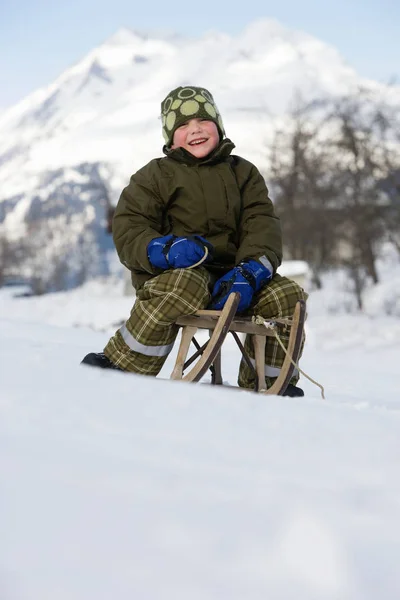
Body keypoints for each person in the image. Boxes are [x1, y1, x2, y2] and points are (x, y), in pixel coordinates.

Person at [81, 85, 308, 396]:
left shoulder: (243, 173)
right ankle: (123, 363)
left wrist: (253, 270)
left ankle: (268, 381)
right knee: (184, 286)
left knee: (287, 295)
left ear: (218, 125)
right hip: (178, 275)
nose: (195, 130)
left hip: (235, 278)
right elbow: (130, 226)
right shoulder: (155, 176)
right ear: (170, 138)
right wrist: (163, 249)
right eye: (183, 125)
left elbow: (261, 224)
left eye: (203, 121)